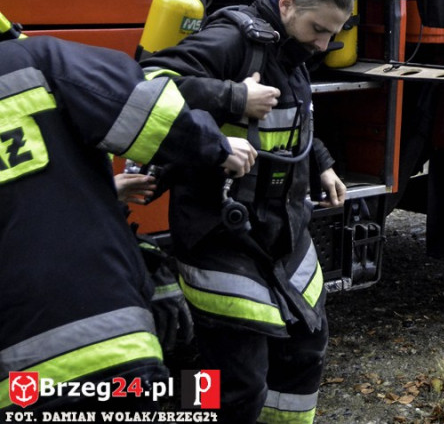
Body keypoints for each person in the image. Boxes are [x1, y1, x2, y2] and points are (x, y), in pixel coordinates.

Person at [141, 0, 352, 423]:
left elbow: (296, 119)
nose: (324, 44)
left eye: (332, 34)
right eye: (319, 29)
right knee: (237, 383)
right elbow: (150, 81)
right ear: (289, 3)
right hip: (221, 234)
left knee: (304, 354)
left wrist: (322, 164)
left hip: (281, 233)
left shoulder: (292, 49)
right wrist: (234, 97)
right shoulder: (234, 38)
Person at [0, 34, 254, 411]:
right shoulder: (31, 59)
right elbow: (148, 109)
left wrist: (103, 189)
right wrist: (220, 142)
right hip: (105, 345)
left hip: (16, 385)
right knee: (210, 394)